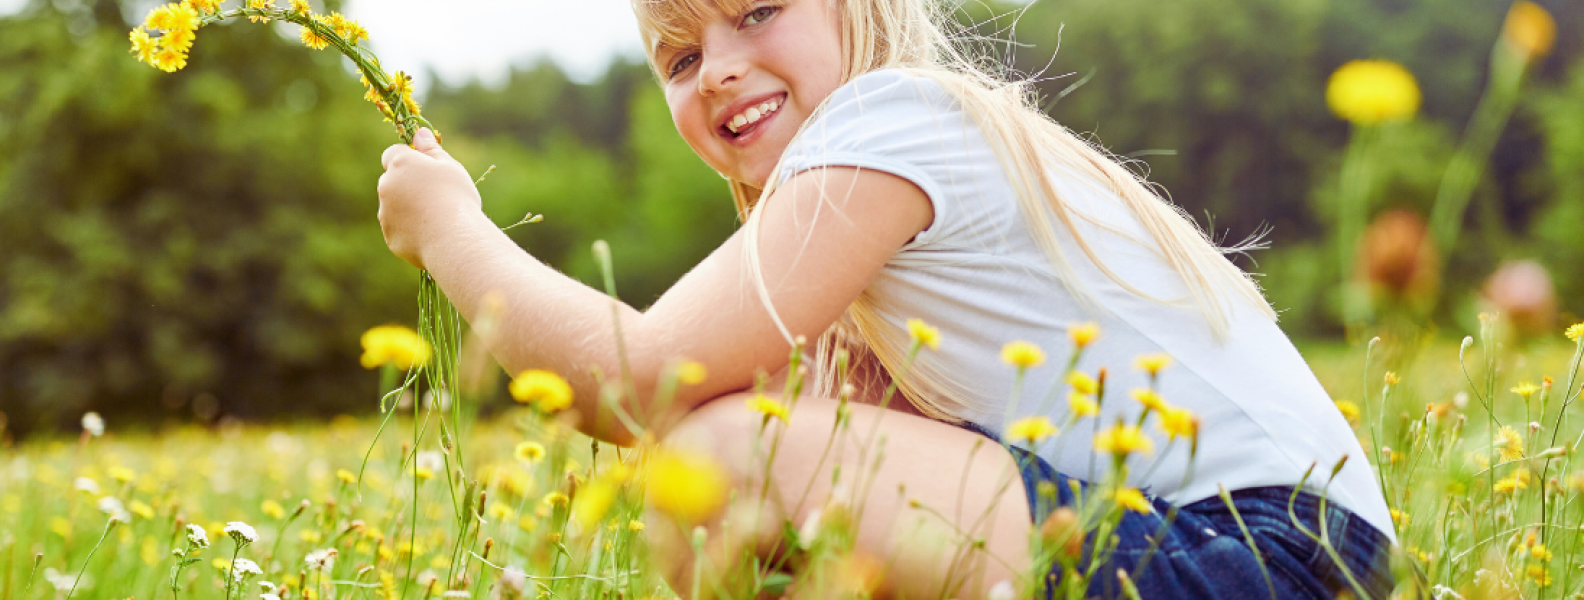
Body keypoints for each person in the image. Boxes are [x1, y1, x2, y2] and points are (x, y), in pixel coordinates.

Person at [376, 0, 1395, 596]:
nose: (721, 68)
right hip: (1248, 550)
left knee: (724, 456)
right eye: (680, 57)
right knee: (797, 466)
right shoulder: (885, 221)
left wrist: (448, 229)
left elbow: (643, 383)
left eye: (758, 9)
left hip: (1259, 554)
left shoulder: (891, 117)